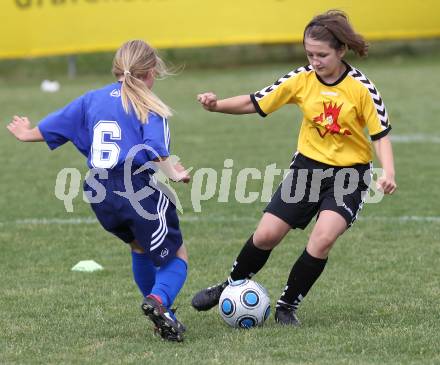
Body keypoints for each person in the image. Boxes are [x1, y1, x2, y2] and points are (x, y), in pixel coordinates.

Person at [191, 10, 397, 326]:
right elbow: (255, 102)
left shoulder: (361, 88)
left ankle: (287, 306)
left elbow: (380, 135)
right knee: (267, 234)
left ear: (341, 50)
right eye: (310, 53)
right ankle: (229, 286)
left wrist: (388, 172)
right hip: (307, 170)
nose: (315, 61)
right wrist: (216, 106)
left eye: (322, 55)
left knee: (322, 239)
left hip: (349, 176)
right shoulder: (300, 80)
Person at [7, 40, 191, 342]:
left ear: (117, 68)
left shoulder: (91, 99)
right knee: (176, 256)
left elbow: (57, 125)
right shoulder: (148, 104)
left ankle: (161, 316)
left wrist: (27, 133)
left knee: (140, 248)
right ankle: (158, 302)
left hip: (99, 191)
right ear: (152, 71)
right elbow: (156, 148)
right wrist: (174, 172)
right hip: (136, 189)